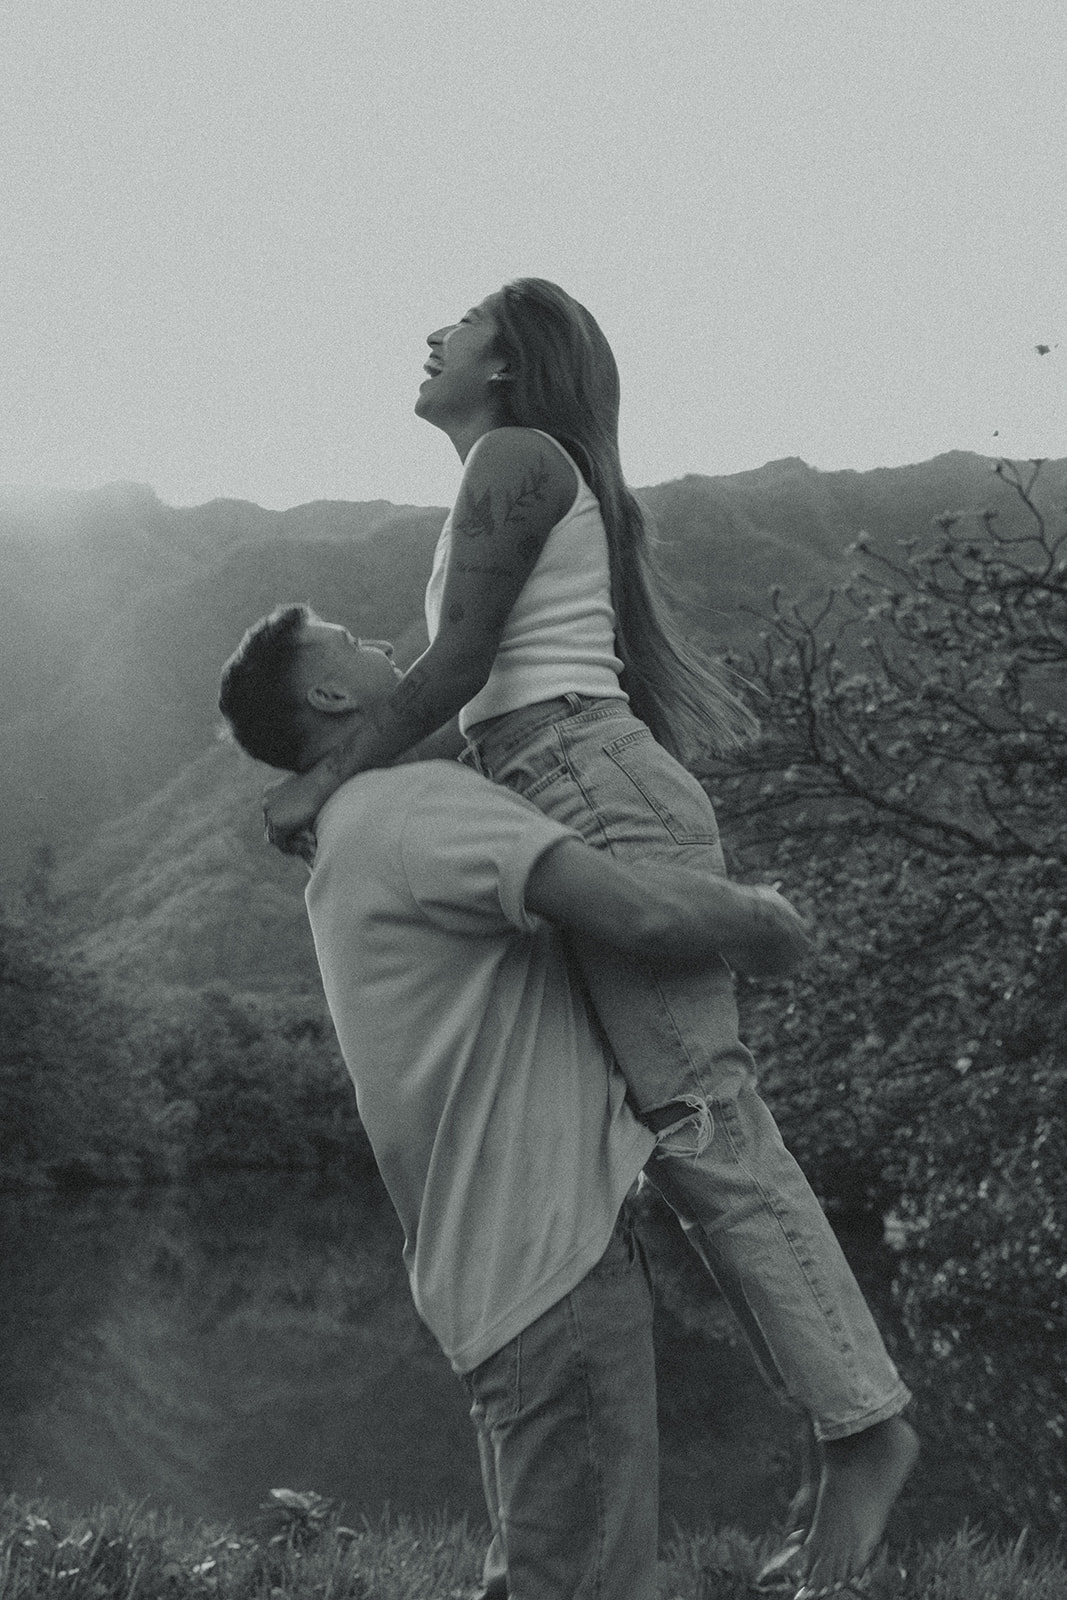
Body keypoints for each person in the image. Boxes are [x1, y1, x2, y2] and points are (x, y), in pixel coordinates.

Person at [260, 280, 919, 1599]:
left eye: (458, 325)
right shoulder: (499, 477)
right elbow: (464, 702)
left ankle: (861, 1430)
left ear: (509, 366)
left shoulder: (517, 460)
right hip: (549, 776)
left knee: (704, 1125)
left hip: (586, 784)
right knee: (675, 1140)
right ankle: (843, 1422)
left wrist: (320, 785)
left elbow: (451, 672)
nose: (432, 335)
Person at [218, 607, 814, 1600]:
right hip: (550, 1269)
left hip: (499, 1275)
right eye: (350, 639)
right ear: (326, 693)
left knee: (541, 1567)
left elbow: (472, 708)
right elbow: (641, 909)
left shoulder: (356, 831)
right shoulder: (415, 808)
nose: (382, 645)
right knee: (587, 1579)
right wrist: (766, 917)